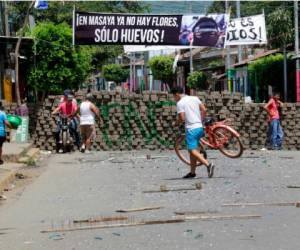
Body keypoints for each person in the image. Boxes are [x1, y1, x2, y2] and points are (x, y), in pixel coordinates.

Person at [171, 87, 215, 178]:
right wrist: (200, 120)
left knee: (192, 150)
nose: (174, 99)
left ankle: (208, 164)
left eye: (174, 97)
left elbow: (182, 118)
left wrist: (176, 123)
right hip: (199, 127)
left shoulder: (180, 103)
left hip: (191, 129)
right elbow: (204, 110)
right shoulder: (195, 98)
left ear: (177, 94)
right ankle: (192, 172)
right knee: (192, 150)